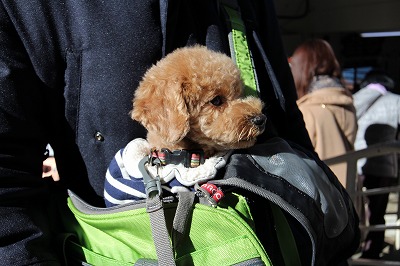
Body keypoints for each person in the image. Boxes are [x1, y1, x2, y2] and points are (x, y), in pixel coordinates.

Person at [0, 2, 358, 265]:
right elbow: (7, 174)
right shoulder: (33, 12)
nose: (250, 109)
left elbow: (284, 114)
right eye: (218, 100)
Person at [290, 38, 358, 186]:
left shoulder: (308, 110)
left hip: (324, 198)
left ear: (303, 67)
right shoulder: (346, 103)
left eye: (293, 64)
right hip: (350, 191)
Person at [353, 69, 400, 259]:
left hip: (355, 163)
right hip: (385, 165)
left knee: (355, 205)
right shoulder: (396, 100)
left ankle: (354, 243)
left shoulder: (354, 98)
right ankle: (372, 250)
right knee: (378, 209)